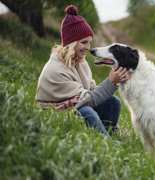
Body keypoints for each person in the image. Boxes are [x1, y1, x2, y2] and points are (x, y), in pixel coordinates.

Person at [35, 5, 130, 137]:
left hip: (75, 106)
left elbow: (91, 91)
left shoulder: (80, 62)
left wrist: (113, 83)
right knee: (86, 111)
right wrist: (111, 82)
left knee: (113, 102)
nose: (88, 48)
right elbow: (87, 100)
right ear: (72, 43)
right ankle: (107, 143)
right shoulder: (56, 69)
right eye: (84, 42)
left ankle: (110, 132)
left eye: (89, 42)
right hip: (55, 113)